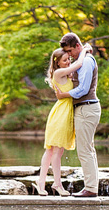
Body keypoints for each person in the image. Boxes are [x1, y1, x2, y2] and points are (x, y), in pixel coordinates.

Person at [32, 43, 91, 196]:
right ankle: (57, 185)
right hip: (61, 113)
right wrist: (84, 50)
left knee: (52, 150)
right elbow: (79, 63)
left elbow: (77, 68)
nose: (68, 62)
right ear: (57, 62)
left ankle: (41, 184)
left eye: (68, 59)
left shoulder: (64, 74)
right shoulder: (59, 73)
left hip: (64, 111)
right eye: (65, 60)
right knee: (55, 151)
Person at [55, 32, 101, 198]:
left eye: (70, 51)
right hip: (85, 109)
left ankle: (90, 189)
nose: (69, 55)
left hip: (87, 108)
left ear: (77, 46)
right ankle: (91, 187)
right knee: (88, 149)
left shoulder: (87, 61)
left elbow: (83, 89)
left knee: (84, 151)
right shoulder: (81, 59)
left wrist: (63, 95)